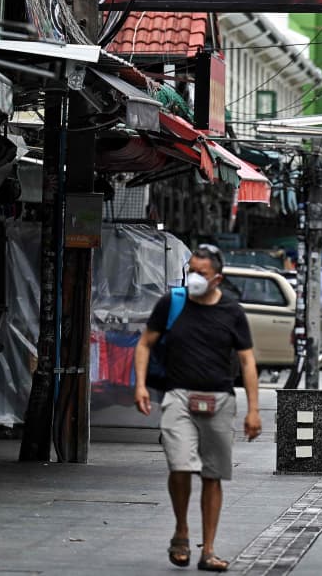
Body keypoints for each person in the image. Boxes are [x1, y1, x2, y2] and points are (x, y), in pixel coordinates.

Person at [135, 244, 260, 573]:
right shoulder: (171, 304)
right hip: (178, 397)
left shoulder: (232, 313)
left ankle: (209, 550)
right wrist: (139, 386)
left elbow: (247, 361)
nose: (194, 278)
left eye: (201, 273)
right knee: (179, 464)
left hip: (219, 400)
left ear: (217, 278)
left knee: (212, 475)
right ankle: (181, 531)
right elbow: (145, 343)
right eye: (191, 270)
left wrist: (253, 410)